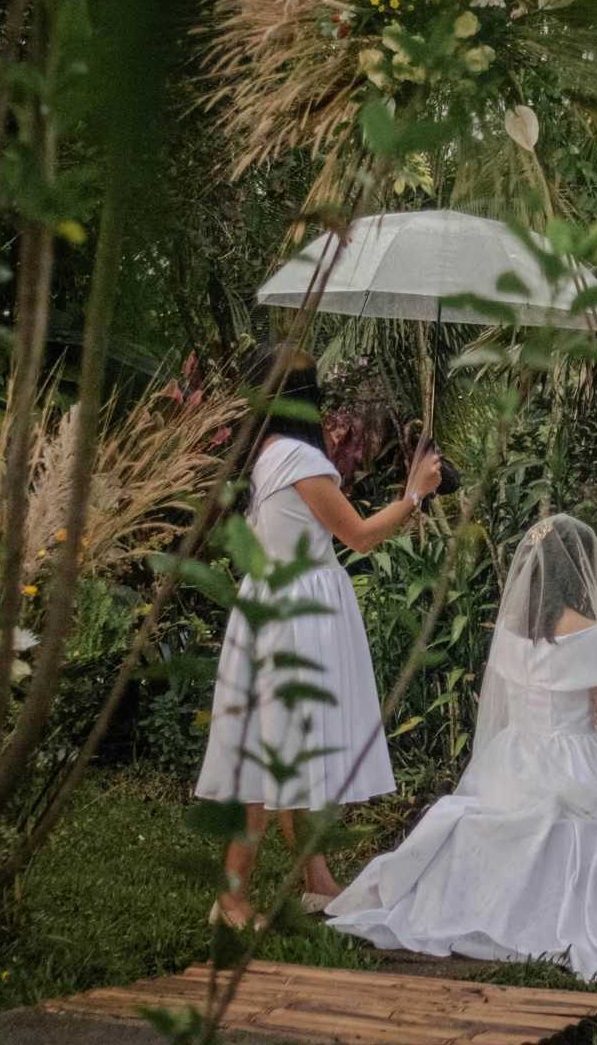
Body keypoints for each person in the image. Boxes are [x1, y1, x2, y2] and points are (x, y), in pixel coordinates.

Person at [327, 515, 597, 981]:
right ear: (579, 571)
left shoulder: (510, 629)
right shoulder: (589, 632)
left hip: (514, 757)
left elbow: (505, 704)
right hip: (575, 758)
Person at [195, 345, 441, 929]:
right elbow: (357, 535)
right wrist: (414, 493)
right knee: (272, 755)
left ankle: (317, 880)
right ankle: (232, 898)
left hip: (269, 604)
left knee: (285, 747)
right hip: (299, 612)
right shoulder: (300, 461)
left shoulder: (260, 455)